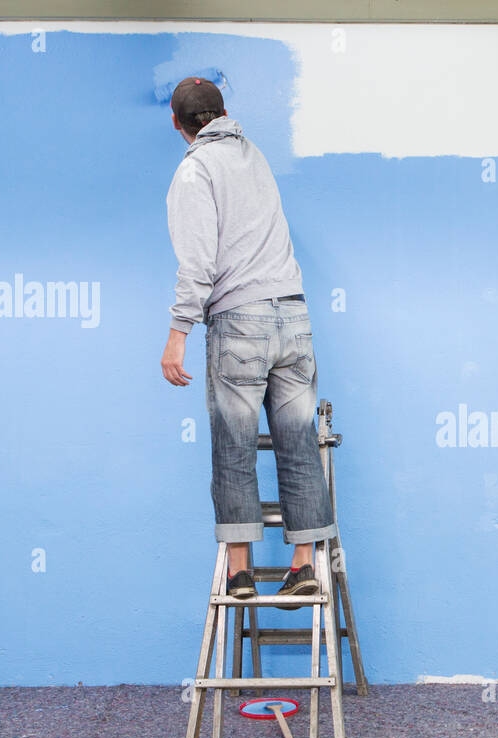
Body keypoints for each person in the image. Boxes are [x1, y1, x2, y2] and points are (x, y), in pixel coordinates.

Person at [159, 77, 336, 604]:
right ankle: (303, 564)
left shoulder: (194, 171)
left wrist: (177, 334)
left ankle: (239, 574)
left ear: (178, 125)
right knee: (299, 442)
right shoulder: (254, 156)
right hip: (294, 317)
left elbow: (198, 264)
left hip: (240, 321)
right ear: (224, 113)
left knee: (234, 446)